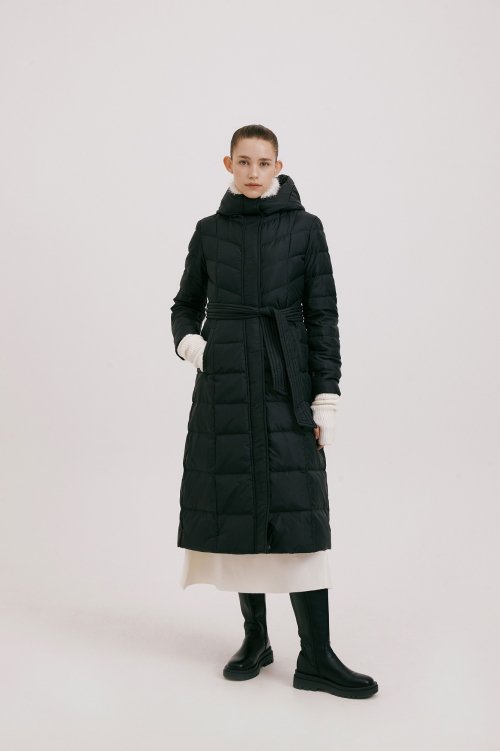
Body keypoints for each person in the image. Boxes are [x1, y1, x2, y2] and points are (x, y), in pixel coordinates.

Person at [170, 124, 378, 699]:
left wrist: (326, 396)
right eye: (244, 162)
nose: (254, 173)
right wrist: (193, 344)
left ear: (278, 165)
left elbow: (323, 315)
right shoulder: (209, 231)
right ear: (228, 165)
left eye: (264, 163)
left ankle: (317, 656)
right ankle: (256, 639)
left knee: (298, 512)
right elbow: (185, 304)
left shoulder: (306, 228)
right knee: (240, 504)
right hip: (227, 385)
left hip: (287, 381)